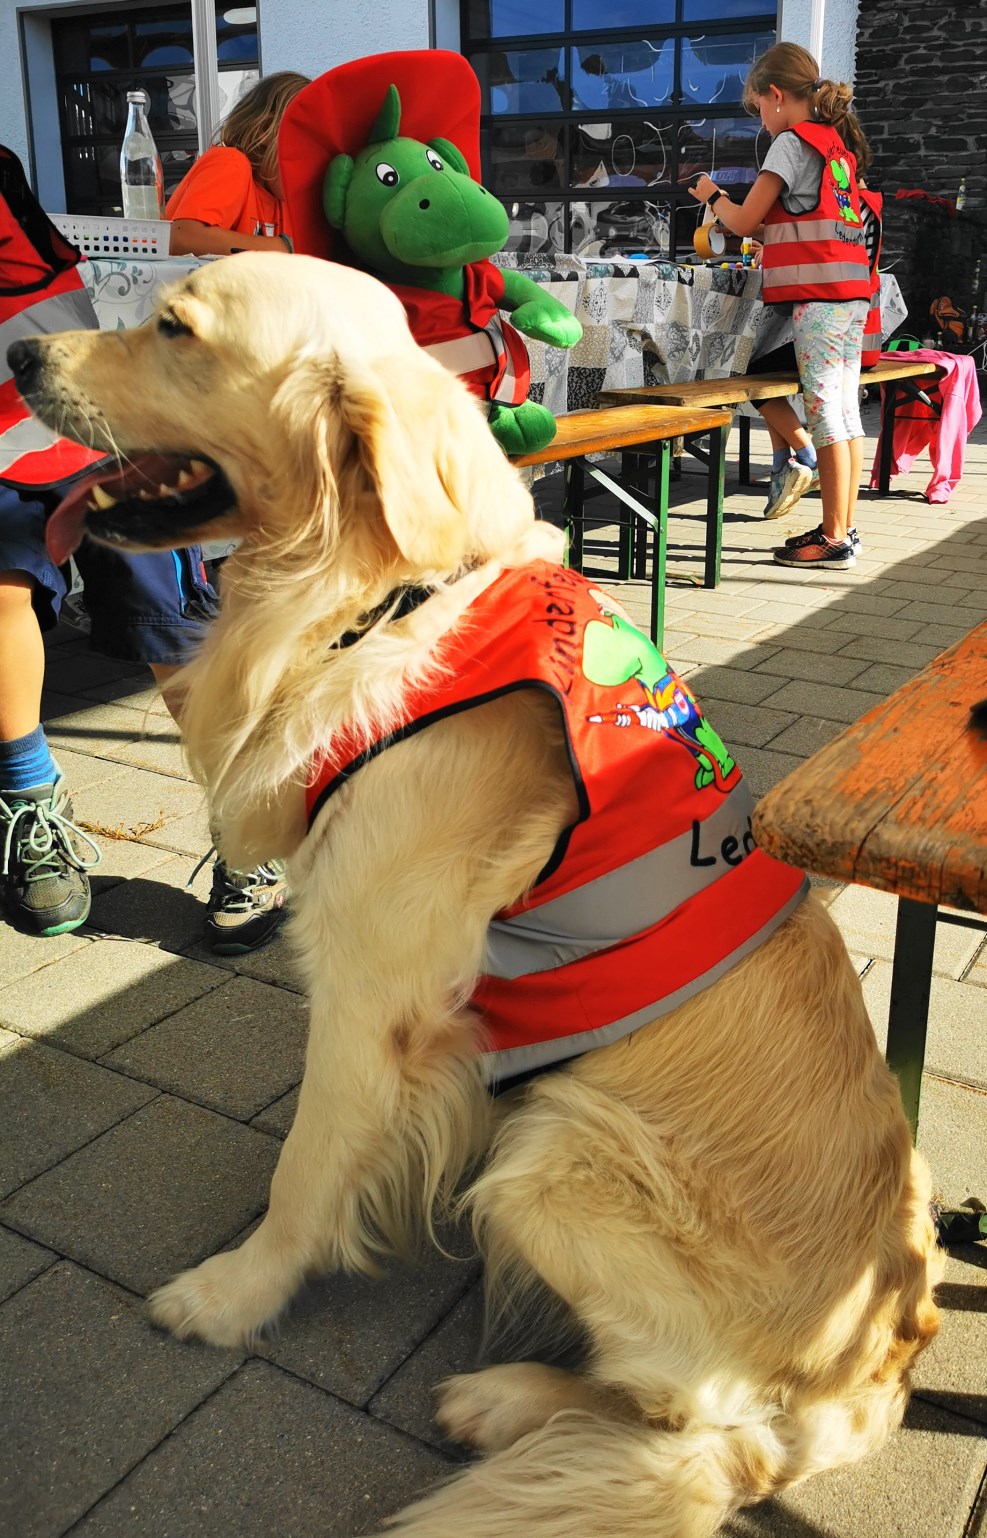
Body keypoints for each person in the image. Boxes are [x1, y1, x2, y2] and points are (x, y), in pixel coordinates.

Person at [0, 144, 286, 948]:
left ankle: (244, 824)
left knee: (164, 601)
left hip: (83, 424)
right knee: (0, 586)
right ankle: (30, 808)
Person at [687, 42, 873, 570]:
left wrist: (709, 193)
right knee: (844, 417)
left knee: (827, 419)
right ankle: (842, 530)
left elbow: (745, 223)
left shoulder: (791, 143)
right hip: (848, 295)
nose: (761, 122)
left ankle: (834, 541)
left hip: (819, 302)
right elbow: (797, 223)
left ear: (775, 95)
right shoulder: (836, 145)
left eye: (758, 109)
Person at [166, 71, 309, 257]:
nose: (312, 165)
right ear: (264, 130)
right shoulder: (231, 163)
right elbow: (183, 239)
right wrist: (284, 247)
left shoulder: (282, 201)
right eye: (307, 146)